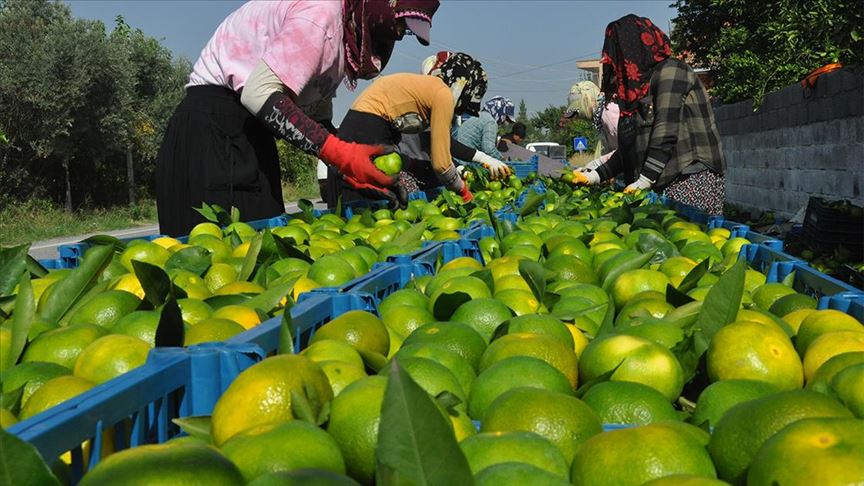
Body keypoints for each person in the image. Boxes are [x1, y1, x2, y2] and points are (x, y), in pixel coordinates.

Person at [154, 0, 439, 236]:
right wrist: (340, 153)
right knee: (220, 258)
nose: (400, 35)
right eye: (401, 23)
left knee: (260, 252)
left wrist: (358, 166)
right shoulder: (321, 13)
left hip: (250, 135)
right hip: (215, 133)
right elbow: (258, 94)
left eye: (409, 32)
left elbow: (316, 122)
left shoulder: (340, 34)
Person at [572, 14, 725, 215]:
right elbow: (630, 147)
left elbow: (666, 130)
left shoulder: (671, 72)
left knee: (688, 238)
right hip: (661, 178)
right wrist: (595, 175)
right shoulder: (639, 89)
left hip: (690, 176)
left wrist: (645, 179)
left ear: (633, 49)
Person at [326, 52, 487, 206]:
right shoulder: (442, 94)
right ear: (464, 87)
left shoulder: (429, 86)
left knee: (355, 202)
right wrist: (464, 193)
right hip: (368, 129)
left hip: (358, 127)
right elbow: (442, 165)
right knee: (364, 206)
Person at [559, 80, 620, 170]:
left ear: (590, 100)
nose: (579, 117)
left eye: (579, 111)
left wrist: (594, 168)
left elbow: (624, 150)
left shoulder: (608, 114)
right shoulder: (599, 119)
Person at [454, 96, 514, 179]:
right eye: (506, 118)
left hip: (457, 159)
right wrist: (502, 161)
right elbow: (488, 149)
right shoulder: (490, 122)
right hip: (465, 163)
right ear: (500, 111)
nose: (504, 122)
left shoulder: (480, 116)